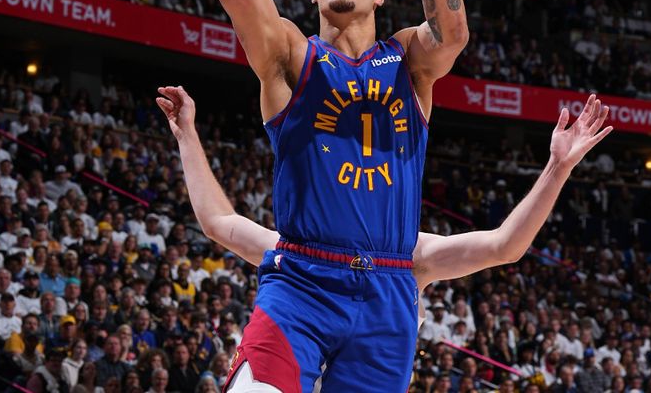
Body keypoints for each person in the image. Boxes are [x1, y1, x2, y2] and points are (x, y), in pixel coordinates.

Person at [209, 0, 470, 389]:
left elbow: (454, 31)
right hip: (301, 281)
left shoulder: (406, 61)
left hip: (387, 292)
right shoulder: (292, 56)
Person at [157, 88, 612, 391]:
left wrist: (558, 168)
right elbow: (217, 220)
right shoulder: (297, 246)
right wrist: (187, 134)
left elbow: (505, 246)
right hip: (292, 326)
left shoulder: (411, 255)